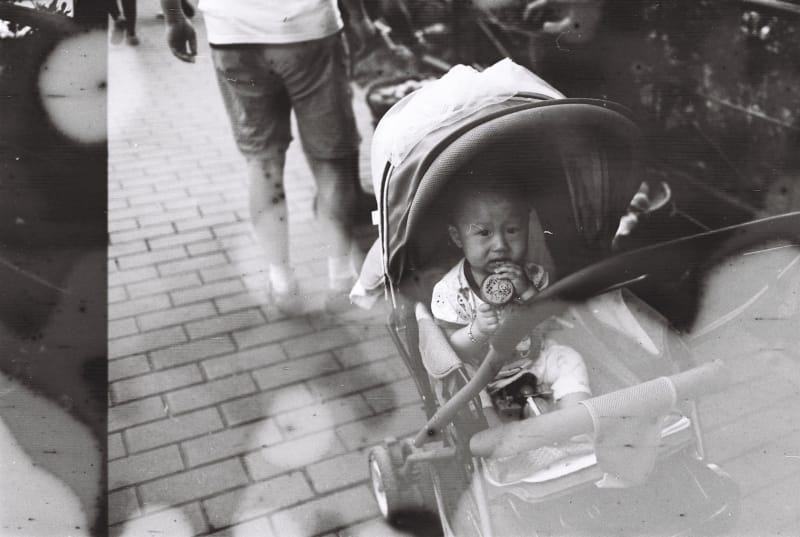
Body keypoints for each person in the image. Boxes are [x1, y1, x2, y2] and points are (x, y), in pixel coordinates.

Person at [159, 0, 376, 312]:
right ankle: (341, 279)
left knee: (263, 166)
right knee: (332, 165)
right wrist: (359, 15)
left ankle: (281, 282)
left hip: (232, 33)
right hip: (309, 28)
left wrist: (174, 18)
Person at [431, 179, 591, 426]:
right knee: (468, 392)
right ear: (458, 237)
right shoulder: (450, 291)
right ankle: (499, 438)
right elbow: (453, 349)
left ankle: (575, 423)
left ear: (528, 227)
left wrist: (527, 292)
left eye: (512, 231)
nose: (500, 245)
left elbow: (551, 323)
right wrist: (477, 330)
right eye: (484, 233)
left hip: (533, 360)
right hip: (485, 376)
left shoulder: (533, 275)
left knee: (568, 357)